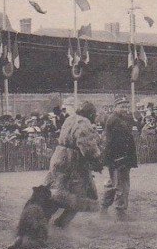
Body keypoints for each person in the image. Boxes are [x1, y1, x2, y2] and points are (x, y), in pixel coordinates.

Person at [43, 100, 103, 228]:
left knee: (56, 192)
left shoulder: (70, 119)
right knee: (79, 197)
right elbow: (87, 146)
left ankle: (42, 220)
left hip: (59, 156)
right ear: (91, 114)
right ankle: (62, 223)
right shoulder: (84, 122)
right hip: (73, 162)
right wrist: (97, 161)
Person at [101, 96, 138, 220]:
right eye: (122, 106)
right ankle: (120, 212)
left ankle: (104, 208)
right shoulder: (114, 120)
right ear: (115, 107)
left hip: (122, 156)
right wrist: (119, 158)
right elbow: (113, 142)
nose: (125, 109)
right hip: (118, 157)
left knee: (114, 183)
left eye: (126, 106)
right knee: (121, 185)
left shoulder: (124, 118)